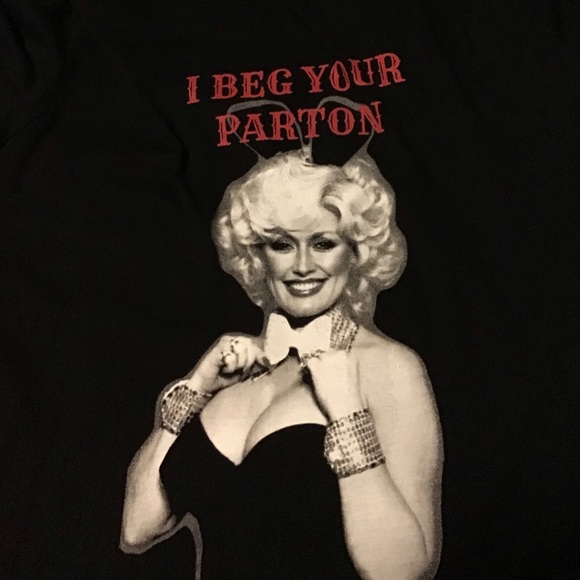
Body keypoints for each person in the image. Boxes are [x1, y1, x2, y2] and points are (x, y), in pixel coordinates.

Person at [120, 140, 443, 579]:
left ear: (357, 251)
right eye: (282, 245)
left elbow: (402, 571)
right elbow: (137, 529)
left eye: (323, 243)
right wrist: (195, 388)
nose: (302, 266)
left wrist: (347, 413)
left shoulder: (390, 367)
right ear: (257, 253)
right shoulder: (238, 372)